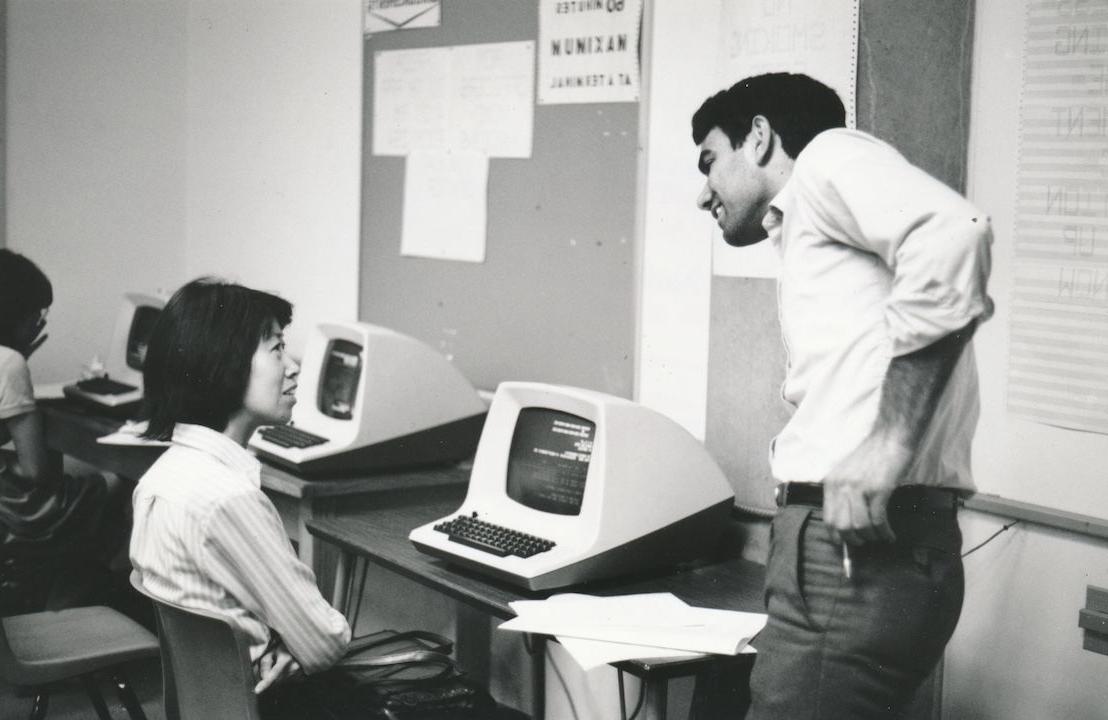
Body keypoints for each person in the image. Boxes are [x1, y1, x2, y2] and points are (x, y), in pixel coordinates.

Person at [691, 73, 993, 718]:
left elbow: (954, 234)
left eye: (710, 161)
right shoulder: (814, 227)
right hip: (856, 547)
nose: (702, 194)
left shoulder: (828, 156)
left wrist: (887, 443)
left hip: (853, 553)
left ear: (761, 136)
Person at [129, 278, 350, 716]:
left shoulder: (161, 477)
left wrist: (291, 642)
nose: (294, 365)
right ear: (223, 366)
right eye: (277, 349)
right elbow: (324, 643)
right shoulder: (225, 498)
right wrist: (299, 643)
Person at [0, 248, 124, 614]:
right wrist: (18, 357)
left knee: (82, 492)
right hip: (10, 511)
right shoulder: (9, 361)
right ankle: (82, 609)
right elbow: (36, 471)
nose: (40, 323)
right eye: (38, 314)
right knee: (118, 484)